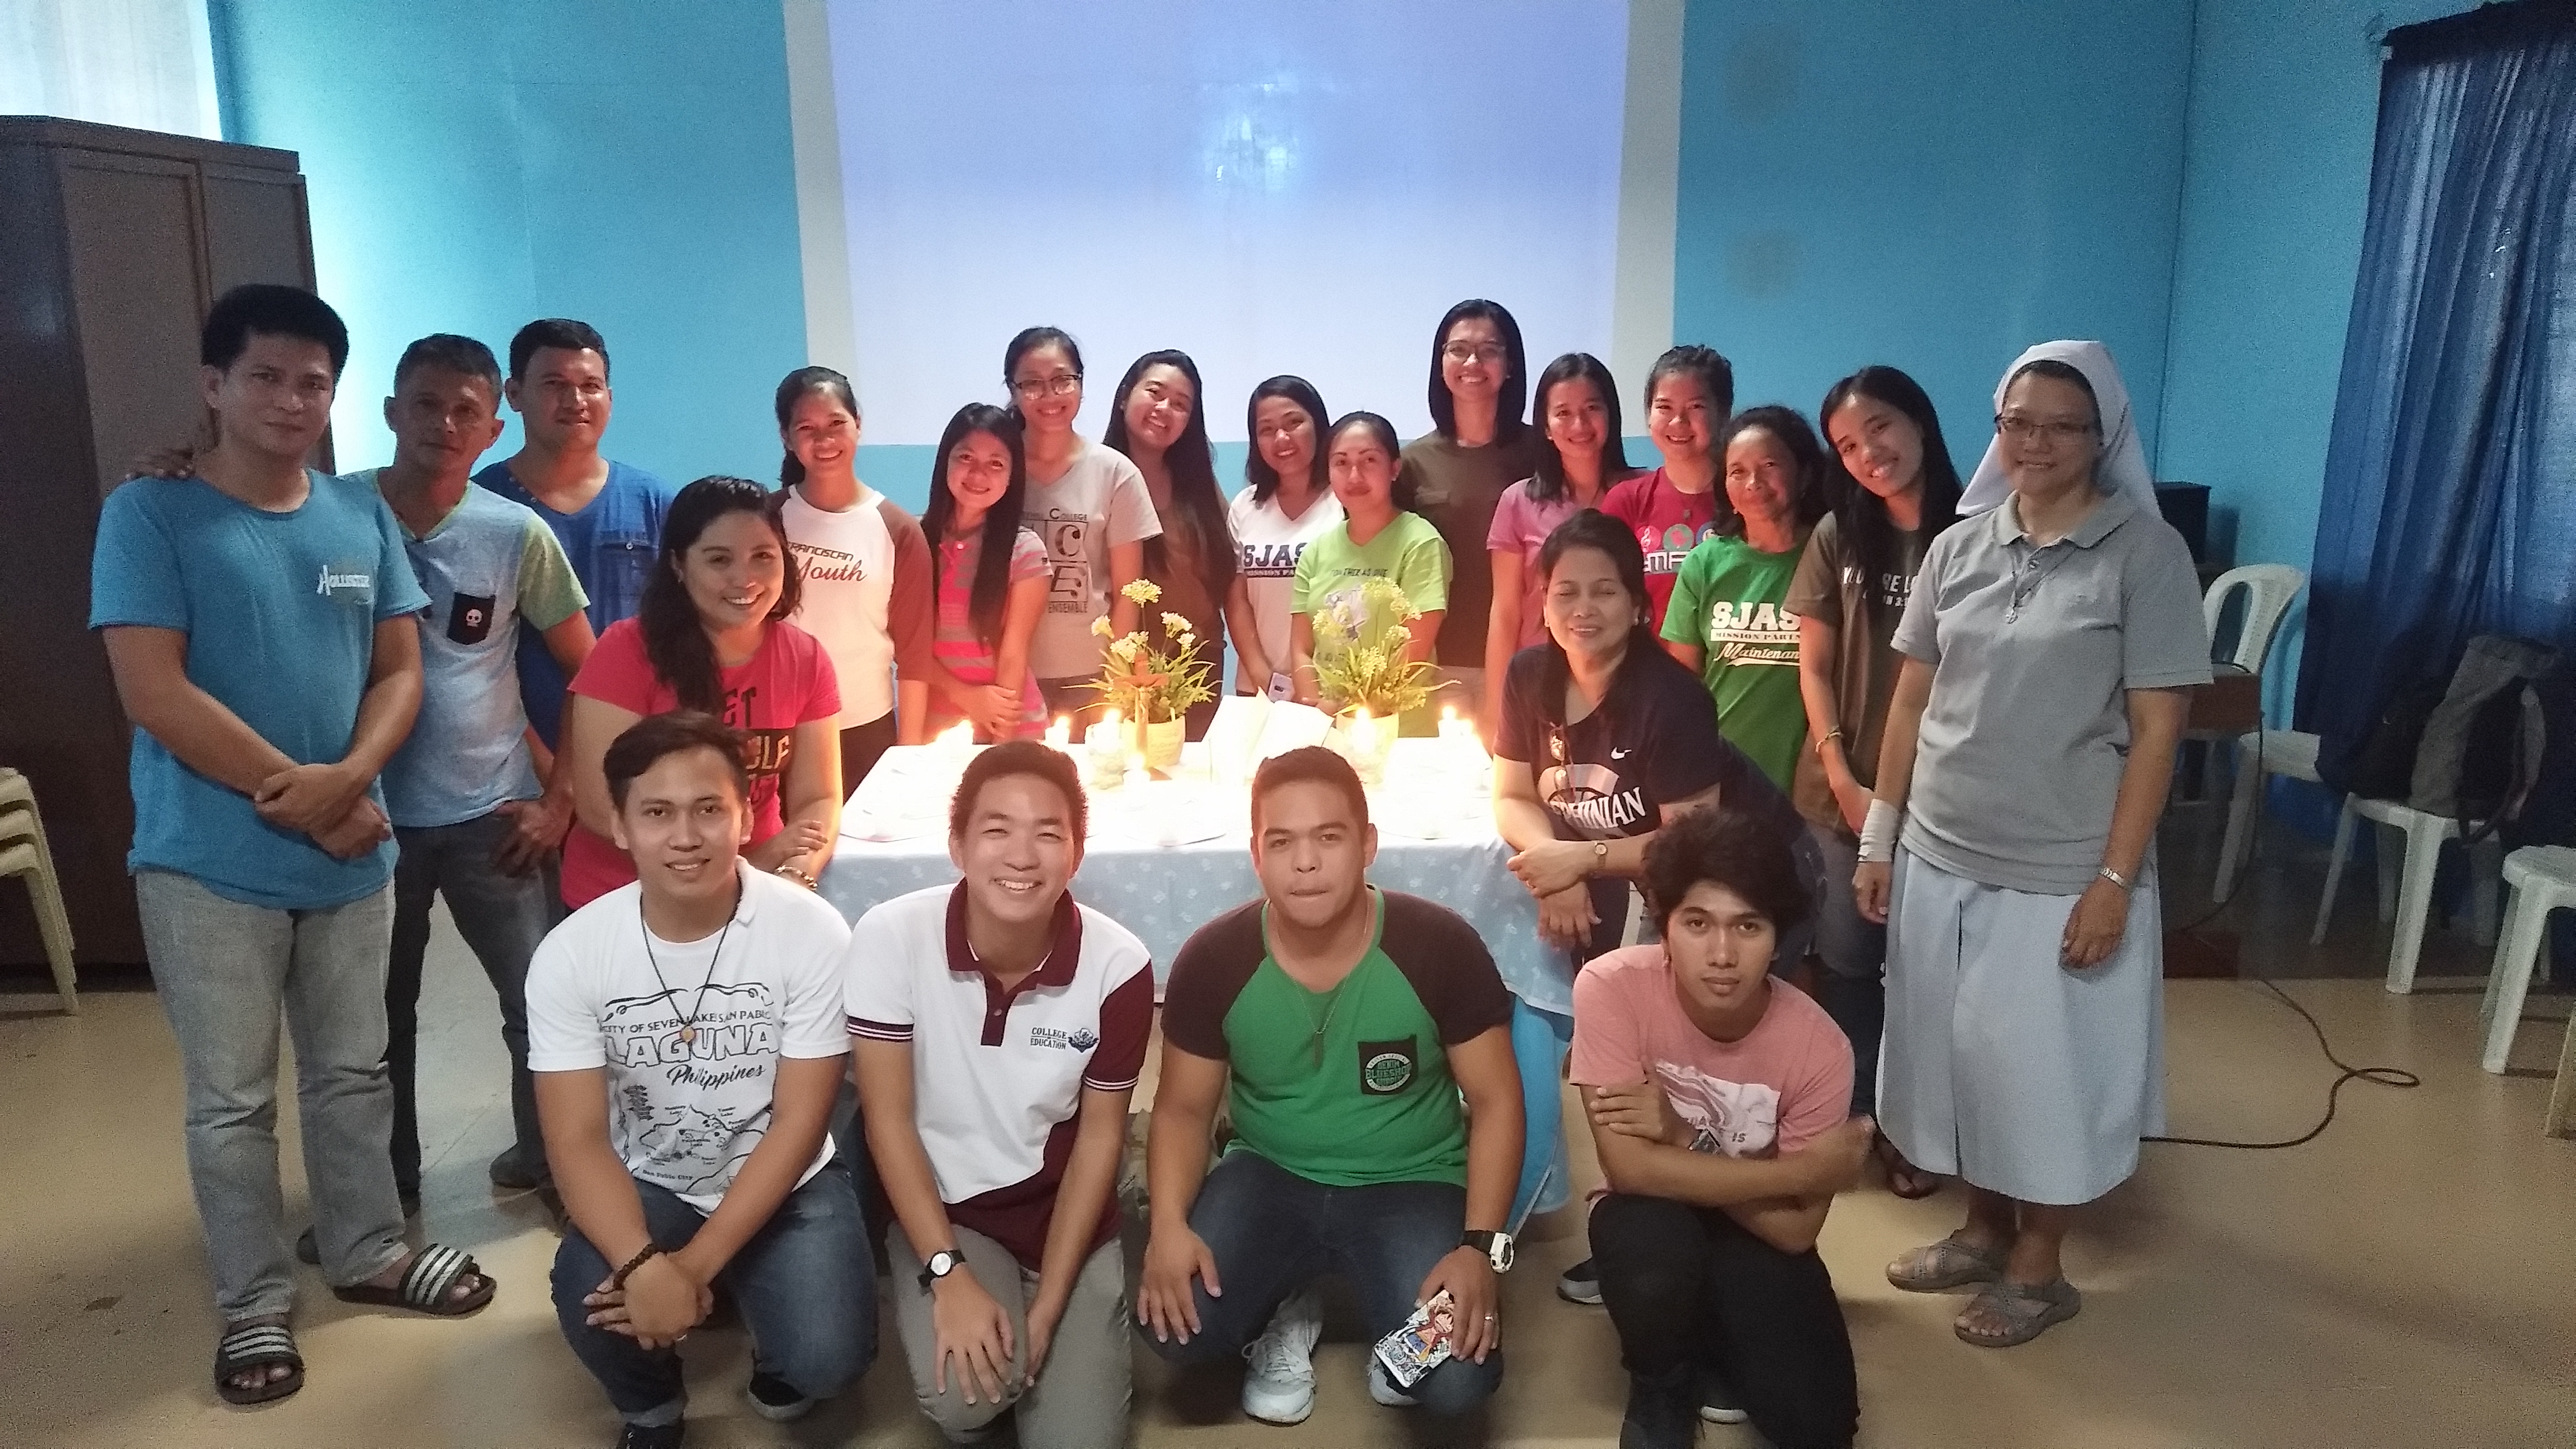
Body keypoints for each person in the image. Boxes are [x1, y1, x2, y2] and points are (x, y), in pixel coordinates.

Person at [91, 284, 494, 1407]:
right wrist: (315, 797)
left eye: (313, 382)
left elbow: (401, 669)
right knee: (231, 1099)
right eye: (264, 376)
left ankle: (368, 1249)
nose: (290, 399)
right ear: (214, 386)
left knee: (353, 1071)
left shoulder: (356, 513)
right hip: (206, 863)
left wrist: (351, 779)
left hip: (351, 852)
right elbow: (155, 692)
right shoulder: (150, 514)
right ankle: (254, 1299)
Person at [1857, 343, 2209, 1348]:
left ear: (2103, 437)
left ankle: (2039, 1266)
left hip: (2060, 866)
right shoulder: (1958, 547)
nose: (2037, 443)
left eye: (2063, 426)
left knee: (2040, 1077)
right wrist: (1880, 837)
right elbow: (1910, 701)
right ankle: (1980, 1229)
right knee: (1956, 1057)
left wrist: (2113, 880)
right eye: (2019, 423)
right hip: (1939, 849)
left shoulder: (2145, 556)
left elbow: (2158, 733)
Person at [1138, 747, 1523, 1425]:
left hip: (1412, 1178)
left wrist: (1479, 1249)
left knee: (1454, 1379)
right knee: (1177, 1327)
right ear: (1256, 856)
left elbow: (1497, 1103)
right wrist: (1167, 1226)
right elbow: (1181, 1113)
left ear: (1368, 845)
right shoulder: (1214, 958)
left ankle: (1387, 1327)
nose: (1306, 862)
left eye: (1329, 838)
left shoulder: (1440, 945)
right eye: (1281, 842)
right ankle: (1288, 1307)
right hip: (1269, 1171)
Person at [1489, 510, 1816, 1310]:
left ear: (1639, 605)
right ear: (1543, 600)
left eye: (1605, 591)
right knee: (1630, 1065)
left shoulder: (1671, 698)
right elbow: (1511, 794)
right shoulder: (1530, 676)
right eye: (1566, 591)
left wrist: (1582, 860)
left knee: (1707, 1079)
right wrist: (1556, 869)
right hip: (1634, 883)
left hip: (1742, 885)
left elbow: (1690, 839)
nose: (1584, 608)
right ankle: (1644, 1241)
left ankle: (1739, 1247)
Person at [531, 711, 872, 1449]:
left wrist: (691, 1267)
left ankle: (763, 1322)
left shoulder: (811, 931)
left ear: (746, 816)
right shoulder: (572, 954)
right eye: (657, 813)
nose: (685, 837)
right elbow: (577, 1138)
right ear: (619, 825)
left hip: (789, 1178)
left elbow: (800, 1122)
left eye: (709, 809)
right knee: (588, 1287)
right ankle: (651, 1405)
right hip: (654, 1180)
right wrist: (641, 1264)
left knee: (827, 1360)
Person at [846, 741, 1153, 1447]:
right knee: (968, 1402)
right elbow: (888, 1122)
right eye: (996, 829)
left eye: (1048, 833)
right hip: (950, 1211)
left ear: (1076, 855)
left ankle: (1046, 1309)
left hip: (1061, 1207)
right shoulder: (892, 937)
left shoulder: (1118, 965)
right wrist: (948, 1273)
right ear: (957, 845)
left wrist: (1048, 1305)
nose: (1022, 855)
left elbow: (1100, 1138)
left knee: (1080, 1441)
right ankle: (968, 1314)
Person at [370, 334, 598, 1205]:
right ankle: (384, 1192)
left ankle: (555, 1171)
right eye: (427, 405)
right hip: (368, 821)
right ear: (393, 413)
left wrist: (560, 799)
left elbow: (591, 673)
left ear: (493, 427)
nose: (445, 424)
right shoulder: (339, 514)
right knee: (374, 1023)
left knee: (539, 1009)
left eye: (467, 411)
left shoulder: (515, 533)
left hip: (495, 817)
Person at [1574, 808, 1873, 1449]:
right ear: (1664, 927)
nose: (1721, 956)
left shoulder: (1821, 1049)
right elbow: (1630, 1169)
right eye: (1697, 923)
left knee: (1819, 1427)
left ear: (1779, 936)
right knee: (1650, 1255)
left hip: (1755, 1229)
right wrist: (1803, 1173)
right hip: (1654, 1212)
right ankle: (1661, 1380)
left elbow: (1795, 1232)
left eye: (1748, 926)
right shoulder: (1611, 988)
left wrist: (1683, 1137)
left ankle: (1711, 1332)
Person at [1790, 365, 1964, 1197]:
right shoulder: (1838, 535)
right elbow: (1814, 667)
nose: (1869, 454)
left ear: (1920, 422)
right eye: (1848, 445)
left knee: (1930, 970)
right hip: (1843, 793)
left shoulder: (1978, 531)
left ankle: (1923, 1125)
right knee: (1851, 961)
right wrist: (1844, 779)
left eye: (1881, 429)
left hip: (1946, 801)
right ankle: (1862, 1114)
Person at [559, 477, 841, 910]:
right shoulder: (625, 650)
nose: (745, 579)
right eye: (719, 560)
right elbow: (600, 807)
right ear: (678, 565)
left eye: (763, 557)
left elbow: (819, 799)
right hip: (626, 900)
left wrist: (793, 876)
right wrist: (748, 867)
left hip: (757, 895)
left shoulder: (807, 658)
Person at [472, 319, 679, 756]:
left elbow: (684, 633)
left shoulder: (655, 502)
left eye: (591, 386)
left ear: (610, 398)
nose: (576, 401)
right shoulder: (481, 505)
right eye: (555, 384)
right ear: (514, 394)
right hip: (510, 762)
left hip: (641, 751)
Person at [774, 365, 936, 783]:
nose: (824, 440)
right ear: (786, 437)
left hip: (866, 730)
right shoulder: (766, 519)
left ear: (858, 424)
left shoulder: (898, 529)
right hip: (777, 729)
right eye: (807, 429)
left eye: (836, 424)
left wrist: (909, 756)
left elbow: (915, 657)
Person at [1661, 406, 1829, 792]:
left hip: (1813, 784)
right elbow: (1682, 686)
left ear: (1804, 474)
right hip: (1721, 776)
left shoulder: (1831, 557)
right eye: (1737, 471)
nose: (1754, 482)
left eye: (1769, 465)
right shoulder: (1705, 563)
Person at [1396, 300, 1547, 719]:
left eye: (1489, 350)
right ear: (1441, 361)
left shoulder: (1543, 453)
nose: (1473, 363)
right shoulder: (1412, 463)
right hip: (1440, 666)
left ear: (1510, 365)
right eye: (1458, 350)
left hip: (1529, 659)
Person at [1005, 327, 1162, 722]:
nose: (1050, 395)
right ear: (1013, 389)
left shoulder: (1115, 473)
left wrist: (1117, 675)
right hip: (1008, 671)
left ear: (1080, 384)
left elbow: (1128, 592)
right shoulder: (996, 466)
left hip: (1091, 676)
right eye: (1032, 384)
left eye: (1062, 380)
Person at [1481, 352, 1639, 741]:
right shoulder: (1518, 501)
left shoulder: (1642, 492)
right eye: (1563, 413)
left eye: (1592, 409)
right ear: (1546, 426)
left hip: (1628, 682)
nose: (1579, 425)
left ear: (1611, 415)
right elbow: (1505, 612)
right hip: (1541, 684)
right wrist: (1495, 710)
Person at [1103, 349, 1249, 737]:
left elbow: (1229, 573)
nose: (1165, 409)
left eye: (1181, 404)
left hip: (1199, 669)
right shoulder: (1098, 475)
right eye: (1155, 393)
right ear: (1124, 396)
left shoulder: (1198, 485)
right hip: (1122, 672)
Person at [1288, 413, 1451, 718]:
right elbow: (1301, 650)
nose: (1354, 476)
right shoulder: (1316, 552)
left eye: (1369, 461)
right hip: (1325, 724)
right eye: (1341, 463)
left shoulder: (1420, 543)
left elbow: (1412, 653)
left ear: (1394, 468)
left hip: (1397, 725)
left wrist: (1347, 708)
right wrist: (1316, 708)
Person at [922, 404, 1051, 741]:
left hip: (1011, 726)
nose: (978, 475)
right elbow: (909, 648)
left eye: (996, 464)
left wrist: (1000, 746)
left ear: (1012, 475)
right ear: (945, 461)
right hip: (938, 729)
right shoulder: (915, 542)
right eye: (966, 458)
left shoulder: (1024, 550)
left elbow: (1013, 656)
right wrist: (964, 696)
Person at [1227, 376, 1342, 699]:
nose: (1282, 438)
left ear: (1318, 425)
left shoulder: (1344, 502)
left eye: (1294, 423)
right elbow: (1237, 599)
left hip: (1333, 689)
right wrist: (1264, 677)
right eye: (1267, 429)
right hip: (1259, 687)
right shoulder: (1246, 506)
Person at [1604, 345, 1735, 626]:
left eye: (1696, 407)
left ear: (1724, 414)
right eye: (1664, 407)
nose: (1678, 421)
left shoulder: (1743, 498)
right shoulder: (1626, 501)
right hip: (1645, 654)